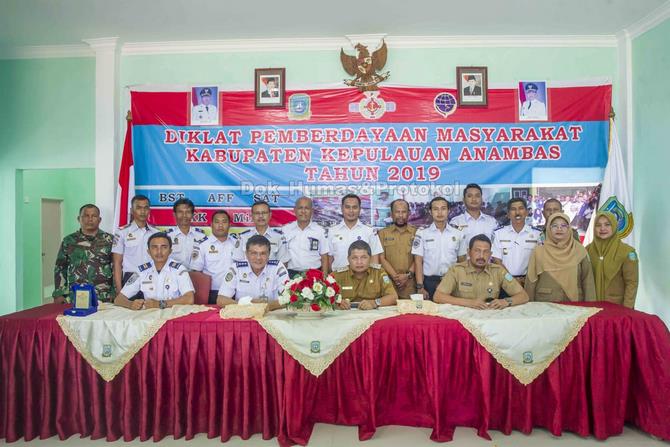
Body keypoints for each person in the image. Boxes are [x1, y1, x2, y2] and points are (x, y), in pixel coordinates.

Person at [434, 234, 528, 309]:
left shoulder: (499, 271)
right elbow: (438, 296)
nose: (481, 256)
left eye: (486, 252)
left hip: (489, 318)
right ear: (469, 252)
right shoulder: (456, 270)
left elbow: (523, 296)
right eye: (477, 251)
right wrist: (469, 303)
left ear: (490, 254)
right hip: (463, 319)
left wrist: (505, 301)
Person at [525, 213, 596, 302]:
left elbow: (588, 280)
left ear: (569, 228)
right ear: (549, 228)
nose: (559, 228)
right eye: (555, 225)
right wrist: (528, 305)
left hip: (574, 303)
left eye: (563, 225)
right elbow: (531, 281)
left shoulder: (579, 250)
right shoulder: (539, 251)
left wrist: (590, 305)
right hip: (545, 303)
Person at [114, 232, 195, 310]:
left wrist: (160, 304)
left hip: (173, 314)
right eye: (154, 247)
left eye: (164, 247)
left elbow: (189, 299)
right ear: (148, 252)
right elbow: (118, 299)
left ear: (170, 251)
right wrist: (130, 304)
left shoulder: (179, 269)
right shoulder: (141, 271)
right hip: (149, 315)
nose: (159, 252)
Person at [52, 204, 114, 303]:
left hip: (104, 295)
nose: (90, 219)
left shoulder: (110, 240)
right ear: (79, 219)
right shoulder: (69, 240)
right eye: (86, 216)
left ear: (99, 219)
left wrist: (115, 292)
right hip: (76, 295)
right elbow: (60, 267)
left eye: (94, 216)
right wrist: (59, 293)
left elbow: (116, 267)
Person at [412, 197, 467, 299]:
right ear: (430, 212)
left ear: (449, 211)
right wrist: (420, 287)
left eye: (443, 208)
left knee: (452, 309)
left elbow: (462, 261)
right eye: (436, 209)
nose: (440, 212)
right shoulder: (422, 233)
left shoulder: (458, 233)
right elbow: (418, 261)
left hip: (452, 281)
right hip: (429, 282)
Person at [217, 235, 290, 311]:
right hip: (243, 314)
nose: (258, 258)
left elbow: (288, 298)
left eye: (263, 253)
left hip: (271, 314)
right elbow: (221, 299)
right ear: (246, 254)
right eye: (254, 253)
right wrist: (245, 306)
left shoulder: (277, 268)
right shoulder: (236, 268)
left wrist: (265, 306)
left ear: (269, 255)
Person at [585, 211, 639, 308]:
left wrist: (627, 309)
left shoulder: (627, 252)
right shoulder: (587, 250)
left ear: (614, 226)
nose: (602, 228)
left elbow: (631, 284)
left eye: (607, 224)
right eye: (598, 225)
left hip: (617, 308)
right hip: (592, 307)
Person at [190, 210, 239, 304]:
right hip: (211, 292)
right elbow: (196, 272)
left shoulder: (237, 243)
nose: (220, 225)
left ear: (229, 225)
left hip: (234, 291)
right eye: (217, 222)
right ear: (211, 225)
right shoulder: (202, 244)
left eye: (224, 222)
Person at [112, 195, 158, 292]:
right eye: (139, 208)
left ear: (149, 210)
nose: (143, 211)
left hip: (152, 277)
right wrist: (119, 290)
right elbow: (117, 263)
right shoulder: (122, 232)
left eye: (145, 208)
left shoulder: (156, 233)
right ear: (132, 211)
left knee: (152, 303)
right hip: (131, 277)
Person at [333, 240, 398, 310]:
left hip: (372, 313)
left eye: (364, 257)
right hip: (345, 314)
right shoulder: (337, 275)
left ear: (370, 258)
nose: (359, 262)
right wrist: (337, 302)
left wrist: (374, 303)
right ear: (348, 259)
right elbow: (325, 297)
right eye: (354, 258)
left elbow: (393, 297)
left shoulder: (379, 273)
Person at [491, 198, 541, 285]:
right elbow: (496, 261)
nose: (517, 212)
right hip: (505, 281)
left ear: (526, 212)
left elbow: (540, 261)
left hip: (529, 282)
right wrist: (511, 280)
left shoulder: (537, 234)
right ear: (508, 214)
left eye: (521, 208)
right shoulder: (499, 233)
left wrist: (527, 280)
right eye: (513, 209)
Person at [328, 194, 383, 270]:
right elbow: (330, 258)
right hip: (338, 275)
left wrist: (373, 276)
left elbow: (375, 258)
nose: (351, 211)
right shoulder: (332, 231)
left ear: (360, 209)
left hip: (363, 276)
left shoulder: (369, 231)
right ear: (342, 208)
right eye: (347, 207)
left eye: (354, 207)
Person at [378, 199, 417, 299]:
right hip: (388, 283)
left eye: (404, 212)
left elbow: (419, 258)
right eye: (397, 212)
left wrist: (407, 276)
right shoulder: (382, 233)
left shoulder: (417, 233)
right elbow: (381, 258)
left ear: (409, 213)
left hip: (410, 283)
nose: (400, 215)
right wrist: (396, 277)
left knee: (410, 309)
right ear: (391, 214)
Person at [282, 197, 330, 278]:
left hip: (314, 274)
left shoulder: (320, 231)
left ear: (312, 211)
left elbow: (324, 257)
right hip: (291, 274)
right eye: (300, 208)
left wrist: (324, 278)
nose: (303, 211)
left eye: (306, 208)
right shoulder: (286, 230)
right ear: (295, 210)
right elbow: (283, 256)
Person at [166, 198, 206, 269]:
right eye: (180, 212)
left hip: (196, 274)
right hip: (173, 274)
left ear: (193, 215)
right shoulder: (167, 236)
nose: (184, 215)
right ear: (174, 214)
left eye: (188, 212)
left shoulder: (201, 236)